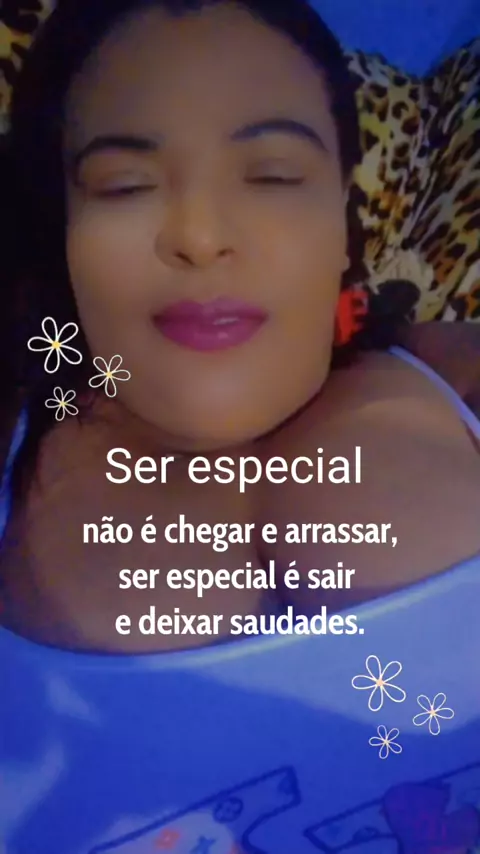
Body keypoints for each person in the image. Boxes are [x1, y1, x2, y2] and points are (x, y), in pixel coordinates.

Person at [0, 1, 479, 851]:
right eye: (124, 185)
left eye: (272, 175)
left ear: (341, 211)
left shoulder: (453, 371)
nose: (200, 235)